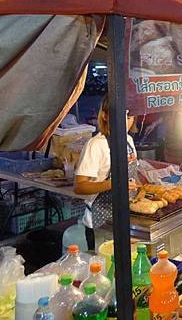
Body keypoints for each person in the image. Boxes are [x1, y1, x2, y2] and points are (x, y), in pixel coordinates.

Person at [74, 95, 138, 251]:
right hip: (100, 223)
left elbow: (131, 175)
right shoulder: (96, 145)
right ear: (105, 115)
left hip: (125, 219)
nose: (125, 122)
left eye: (129, 117)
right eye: (120, 116)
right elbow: (79, 187)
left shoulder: (128, 140)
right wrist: (112, 184)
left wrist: (138, 190)